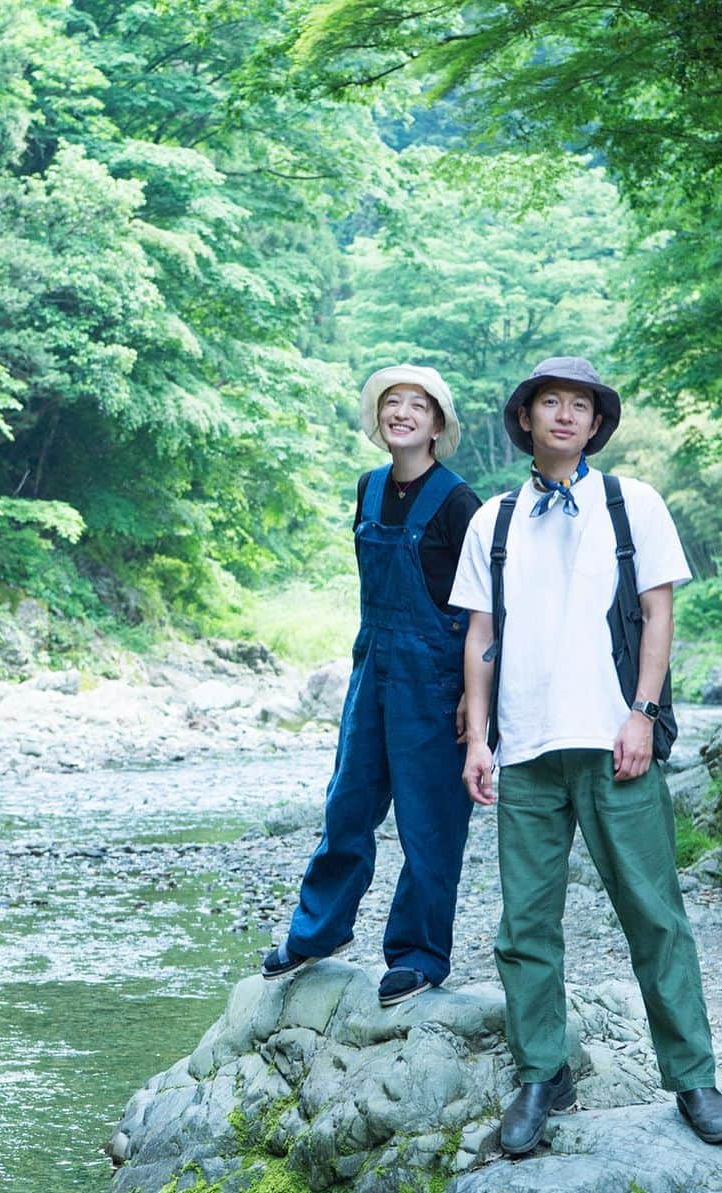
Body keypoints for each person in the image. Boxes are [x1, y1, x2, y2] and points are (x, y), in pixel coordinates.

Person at [449, 356, 722, 1153]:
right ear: (527, 418)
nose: (567, 415)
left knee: (654, 914)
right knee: (526, 924)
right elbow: (480, 636)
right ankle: (543, 1072)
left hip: (617, 742)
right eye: (552, 402)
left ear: (596, 422)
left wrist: (643, 713)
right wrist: (477, 738)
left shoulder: (632, 501)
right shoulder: (495, 519)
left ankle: (693, 1077)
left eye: (581, 404)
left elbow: (657, 612)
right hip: (527, 749)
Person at [262, 364, 481, 1007]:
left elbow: (484, 609)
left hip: (436, 681)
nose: (402, 413)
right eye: (391, 404)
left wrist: (475, 695)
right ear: (378, 420)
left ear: (437, 425)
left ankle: (417, 956)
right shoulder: (368, 487)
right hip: (372, 668)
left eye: (418, 405)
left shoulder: (460, 501)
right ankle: (317, 933)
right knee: (348, 804)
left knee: (429, 821)